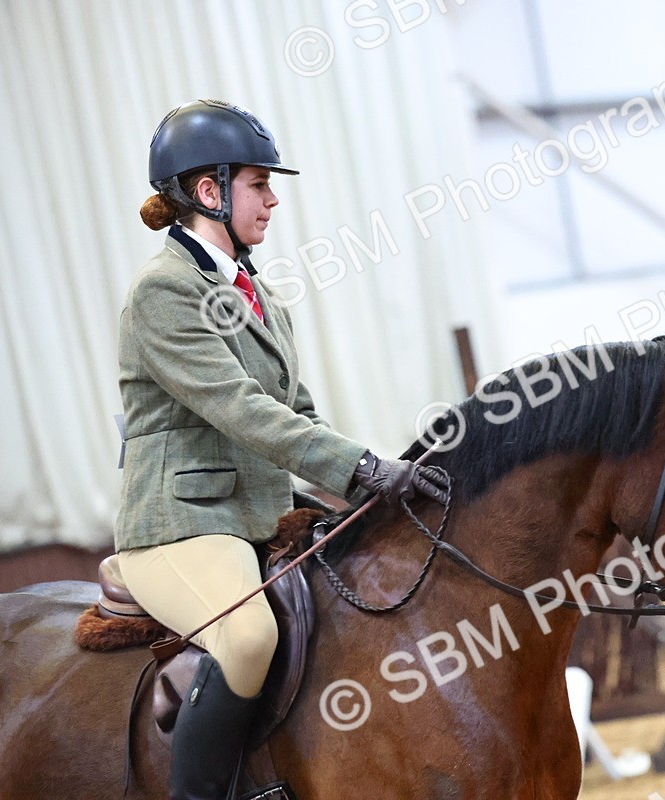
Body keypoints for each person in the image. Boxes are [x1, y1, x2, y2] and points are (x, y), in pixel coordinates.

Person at [116, 99, 447, 800]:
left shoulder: (257, 295)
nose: (272, 201)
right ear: (210, 191)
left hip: (259, 514)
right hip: (182, 526)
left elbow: (296, 412)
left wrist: (369, 488)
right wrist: (361, 469)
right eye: (260, 185)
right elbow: (241, 410)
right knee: (247, 640)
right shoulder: (164, 292)